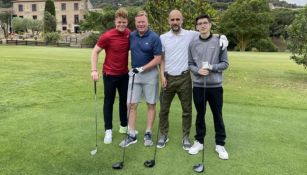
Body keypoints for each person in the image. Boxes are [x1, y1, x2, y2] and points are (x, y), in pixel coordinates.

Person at [157, 9, 228, 150]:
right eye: (172, 20)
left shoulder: (190, 35)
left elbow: (207, 33)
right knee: (164, 110)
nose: (175, 22)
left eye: (178, 19)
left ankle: (186, 137)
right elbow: (162, 58)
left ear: (182, 20)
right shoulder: (163, 37)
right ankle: (163, 135)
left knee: (187, 110)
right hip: (168, 77)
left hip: (185, 78)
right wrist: (161, 75)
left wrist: (222, 36)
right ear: (168, 21)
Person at [188, 14, 229, 160]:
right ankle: (199, 141)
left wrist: (211, 67)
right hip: (199, 86)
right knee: (200, 114)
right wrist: (197, 70)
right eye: (200, 24)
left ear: (210, 25)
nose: (203, 25)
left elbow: (225, 64)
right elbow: (190, 64)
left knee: (217, 115)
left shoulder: (219, 41)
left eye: (205, 23)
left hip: (215, 86)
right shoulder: (193, 44)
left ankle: (220, 144)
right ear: (197, 27)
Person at [119, 11, 162, 147]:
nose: (141, 24)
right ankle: (132, 134)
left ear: (147, 22)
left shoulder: (154, 37)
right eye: (138, 22)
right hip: (134, 74)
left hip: (150, 75)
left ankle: (148, 132)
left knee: (151, 104)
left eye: (143, 22)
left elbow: (158, 58)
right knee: (131, 104)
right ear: (135, 23)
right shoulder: (131, 35)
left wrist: (143, 68)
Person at [90, 8, 130, 144]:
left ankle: (124, 126)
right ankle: (108, 130)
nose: (121, 25)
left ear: (127, 22)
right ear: (115, 21)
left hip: (124, 74)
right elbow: (95, 52)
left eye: (124, 22)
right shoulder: (107, 36)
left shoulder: (129, 34)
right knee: (109, 102)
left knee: (124, 101)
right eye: (119, 22)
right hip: (110, 75)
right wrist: (94, 70)